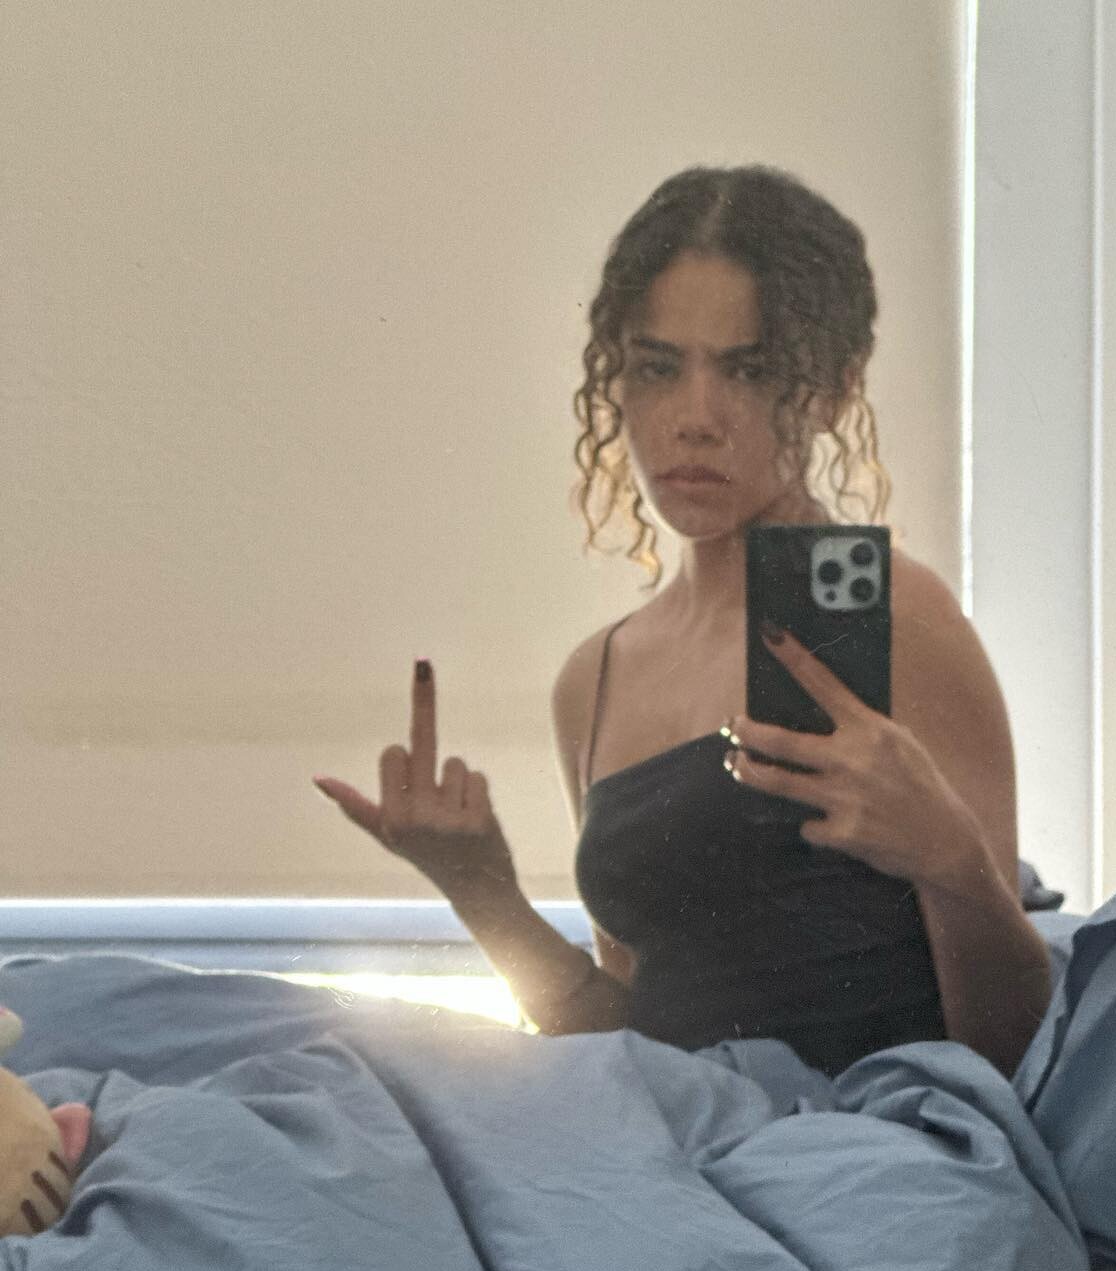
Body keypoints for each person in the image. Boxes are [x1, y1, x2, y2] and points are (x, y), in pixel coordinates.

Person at [315, 165, 1051, 1079]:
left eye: (749, 370)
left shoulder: (905, 617)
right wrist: (484, 898)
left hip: (868, 1141)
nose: (695, 419)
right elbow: (622, 1045)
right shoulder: (595, 680)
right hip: (669, 1145)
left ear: (831, 390)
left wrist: (949, 858)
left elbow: (1019, 1053)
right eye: (658, 369)